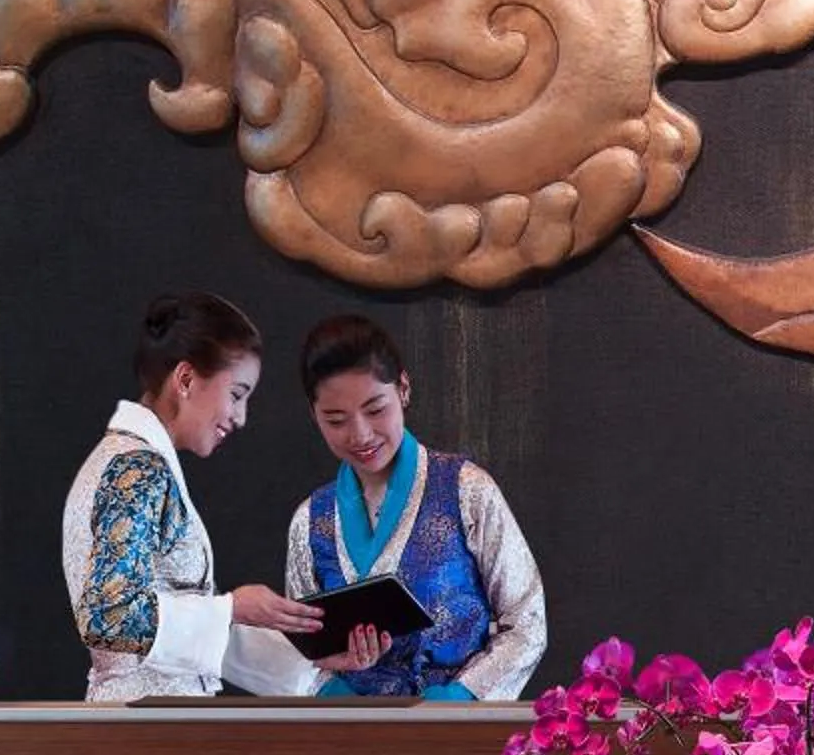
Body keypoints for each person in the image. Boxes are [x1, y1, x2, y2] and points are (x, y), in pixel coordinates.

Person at [63, 293, 325, 702]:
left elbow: (178, 642)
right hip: (148, 734)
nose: (241, 417)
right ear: (185, 379)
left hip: (150, 725)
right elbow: (109, 619)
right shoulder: (137, 470)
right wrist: (231, 607)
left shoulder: (129, 460)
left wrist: (318, 667)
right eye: (237, 394)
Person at [284, 315, 547, 700]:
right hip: (346, 734)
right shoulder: (311, 521)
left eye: (375, 410)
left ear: (403, 388)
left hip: (453, 731)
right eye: (336, 419)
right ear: (314, 415)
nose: (360, 434)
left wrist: (457, 699)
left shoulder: (467, 491)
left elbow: (527, 623)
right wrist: (332, 693)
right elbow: (299, 649)